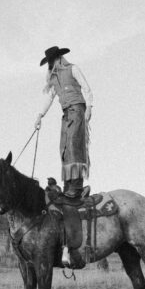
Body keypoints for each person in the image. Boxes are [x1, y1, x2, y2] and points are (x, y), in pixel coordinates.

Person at [34, 45, 93, 199]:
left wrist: (89, 108)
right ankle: (68, 186)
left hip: (77, 109)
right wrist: (40, 115)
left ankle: (77, 186)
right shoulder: (53, 79)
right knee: (64, 149)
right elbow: (49, 98)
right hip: (66, 113)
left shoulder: (73, 69)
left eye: (52, 60)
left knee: (74, 144)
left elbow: (86, 88)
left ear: (59, 58)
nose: (51, 64)